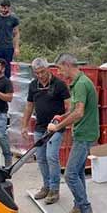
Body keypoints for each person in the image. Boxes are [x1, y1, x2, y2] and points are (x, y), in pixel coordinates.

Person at [47, 53, 99, 213]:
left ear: (68, 65)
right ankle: (78, 207)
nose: (60, 73)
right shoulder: (78, 83)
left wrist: (58, 126)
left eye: (60, 69)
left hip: (85, 135)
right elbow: (74, 111)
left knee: (69, 175)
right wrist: (62, 116)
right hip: (82, 133)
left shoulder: (82, 84)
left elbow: (79, 113)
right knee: (77, 173)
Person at [21, 58, 70, 205]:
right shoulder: (33, 86)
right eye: (37, 73)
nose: (40, 75)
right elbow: (29, 107)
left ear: (48, 69)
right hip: (40, 127)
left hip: (56, 127)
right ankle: (46, 186)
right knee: (41, 158)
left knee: (51, 157)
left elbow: (69, 106)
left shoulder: (59, 85)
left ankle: (54, 189)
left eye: (42, 72)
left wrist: (64, 122)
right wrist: (24, 126)